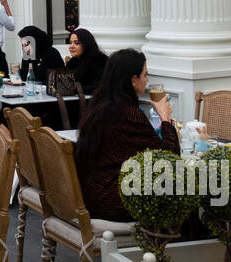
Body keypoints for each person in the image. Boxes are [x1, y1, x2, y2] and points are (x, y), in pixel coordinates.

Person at [73, 49, 179, 223]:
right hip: (112, 201)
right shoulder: (127, 114)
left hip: (93, 192)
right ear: (133, 80)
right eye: (145, 75)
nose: (147, 80)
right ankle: (195, 245)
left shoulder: (100, 106)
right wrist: (165, 119)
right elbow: (170, 159)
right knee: (189, 190)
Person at [65, 27, 108, 95]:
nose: (71, 46)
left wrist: (73, 88)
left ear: (86, 44)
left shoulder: (100, 61)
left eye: (76, 43)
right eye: (70, 43)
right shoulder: (73, 61)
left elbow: (99, 87)